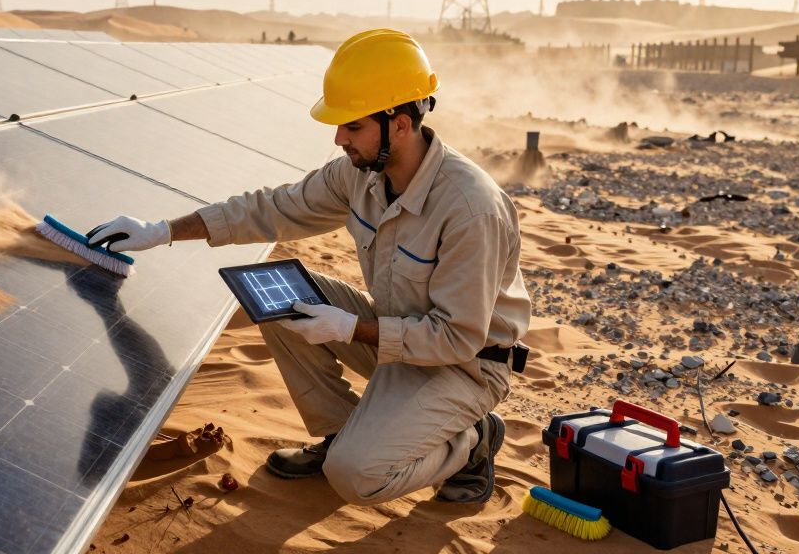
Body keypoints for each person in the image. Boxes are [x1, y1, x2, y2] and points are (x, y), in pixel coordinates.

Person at [87, 29, 531, 506]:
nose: (339, 138)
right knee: (273, 293)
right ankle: (340, 435)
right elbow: (272, 209)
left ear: (400, 124)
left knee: (357, 477)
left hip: (464, 366)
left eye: (352, 126)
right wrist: (162, 230)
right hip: (396, 338)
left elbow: (455, 337)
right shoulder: (360, 174)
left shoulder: (470, 209)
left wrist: (348, 328)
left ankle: (471, 443)